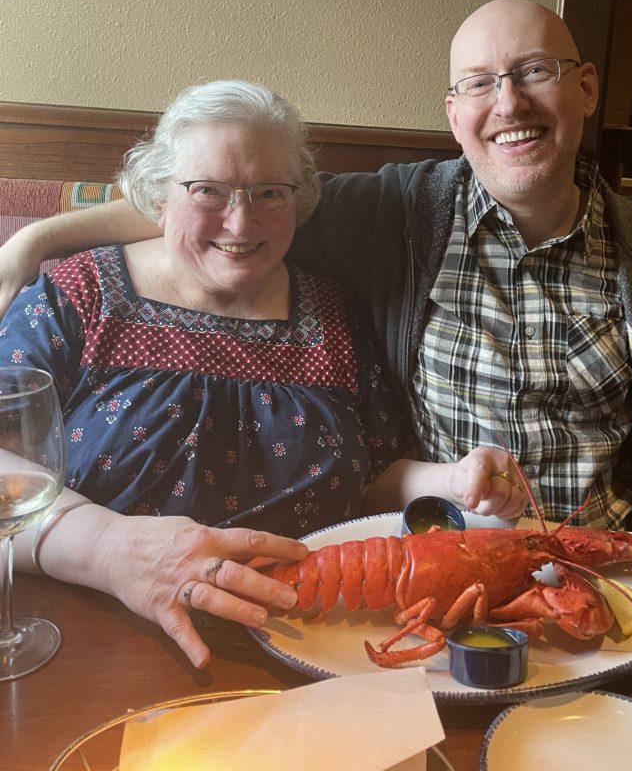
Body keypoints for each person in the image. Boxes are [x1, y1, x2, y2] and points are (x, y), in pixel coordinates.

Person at [0, 1, 632, 539]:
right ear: (454, 114)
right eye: (480, 82)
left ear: (585, 88)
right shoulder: (397, 212)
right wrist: (35, 243)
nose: (508, 101)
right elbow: (228, 199)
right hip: (438, 557)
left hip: (597, 556)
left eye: (533, 73)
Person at [0, 79, 527, 669]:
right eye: (208, 191)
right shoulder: (78, 296)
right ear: (155, 196)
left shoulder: (336, 313)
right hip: (92, 634)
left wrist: (455, 480)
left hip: (313, 639)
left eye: (269, 193)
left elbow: (376, 477)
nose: (240, 221)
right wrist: (106, 547)